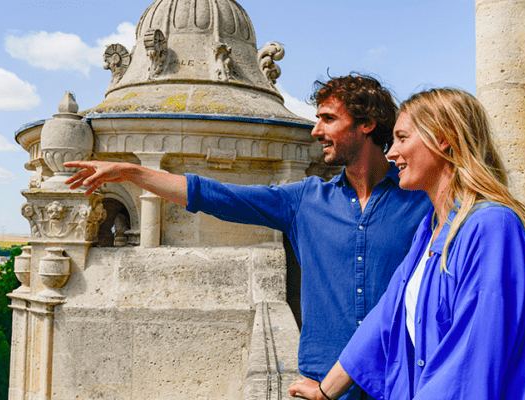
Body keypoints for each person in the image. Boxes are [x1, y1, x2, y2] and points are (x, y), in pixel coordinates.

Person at [65, 74, 431, 400]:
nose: (316, 131)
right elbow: (216, 195)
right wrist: (133, 172)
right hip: (322, 385)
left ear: (366, 124)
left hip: (399, 382)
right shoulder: (304, 199)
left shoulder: (423, 203)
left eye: (328, 119)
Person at [288, 88, 525, 400]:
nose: (391, 153)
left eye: (402, 138)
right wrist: (326, 390)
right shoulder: (430, 228)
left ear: (442, 139)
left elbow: (470, 362)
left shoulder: (491, 227)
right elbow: (387, 314)